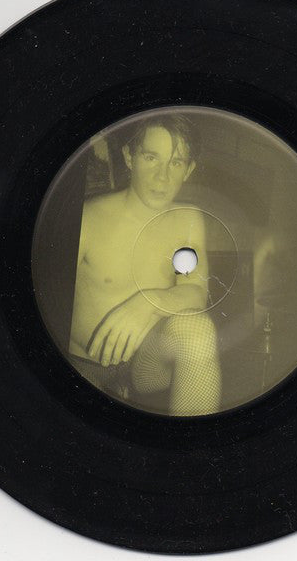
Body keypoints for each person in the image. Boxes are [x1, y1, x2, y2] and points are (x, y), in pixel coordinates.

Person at [68, 113, 221, 415]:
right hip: (84, 363)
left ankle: (194, 443)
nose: (162, 177)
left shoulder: (187, 220)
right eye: (151, 158)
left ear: (188, 170)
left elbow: (195, 291)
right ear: (129, 157)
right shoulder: (87, 218)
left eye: (175, 163)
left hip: (145, 365)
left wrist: (147, 303)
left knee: (197, 329)